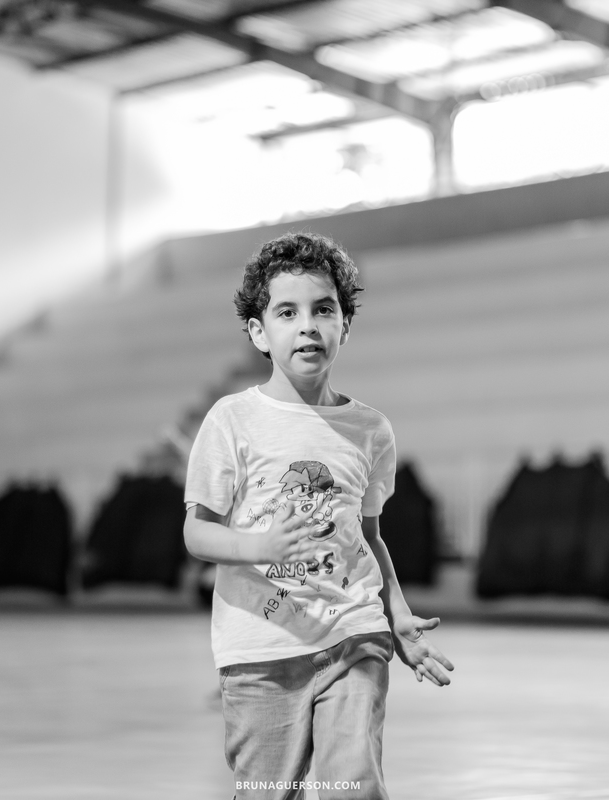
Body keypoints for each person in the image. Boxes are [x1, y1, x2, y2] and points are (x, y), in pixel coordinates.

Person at [184, 232, 454, 800]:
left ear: (344, 327)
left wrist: (396, 614)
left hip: (354, 635)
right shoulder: (232, 420)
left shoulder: (371, 430)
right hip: (260, 652)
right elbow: (197, 529)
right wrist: (260, 547)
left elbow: (369, 536)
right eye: (287, 312)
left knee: (350, 785)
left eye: (323, 309)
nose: (307, 324)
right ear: (259, 332)